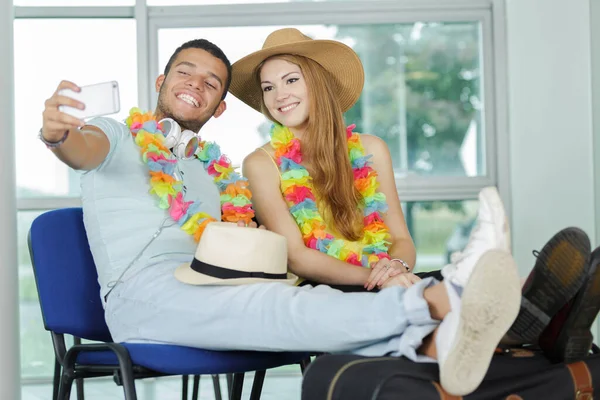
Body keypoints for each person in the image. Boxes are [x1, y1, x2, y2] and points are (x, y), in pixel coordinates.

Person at [39, 36, 528, 396]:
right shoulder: (116, 134)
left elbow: (259, 247)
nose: (196, 85)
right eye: (185, 73)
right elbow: (82, 150)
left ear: (220, 107)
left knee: (285, 297)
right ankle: (442, 298)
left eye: (211, 82)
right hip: (143, 294)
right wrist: (59, 135)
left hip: (211, 280)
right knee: (276, 307)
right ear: (162, 82)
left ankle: (442, 338)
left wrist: (390, 266)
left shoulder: (213, 170)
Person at [231, 27, 600, 363]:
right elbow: (297, 258)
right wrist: (375, 277)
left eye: (290, 80)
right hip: (325, 291)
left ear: (317, 83)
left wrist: (397, 268)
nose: (279, 95)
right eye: (268, 87)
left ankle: (527, 314)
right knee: (441, 292)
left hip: (385, 276)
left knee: (441, 281)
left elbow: (401, 239)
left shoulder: (371, 149)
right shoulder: (261, 163)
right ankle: (536, 322)